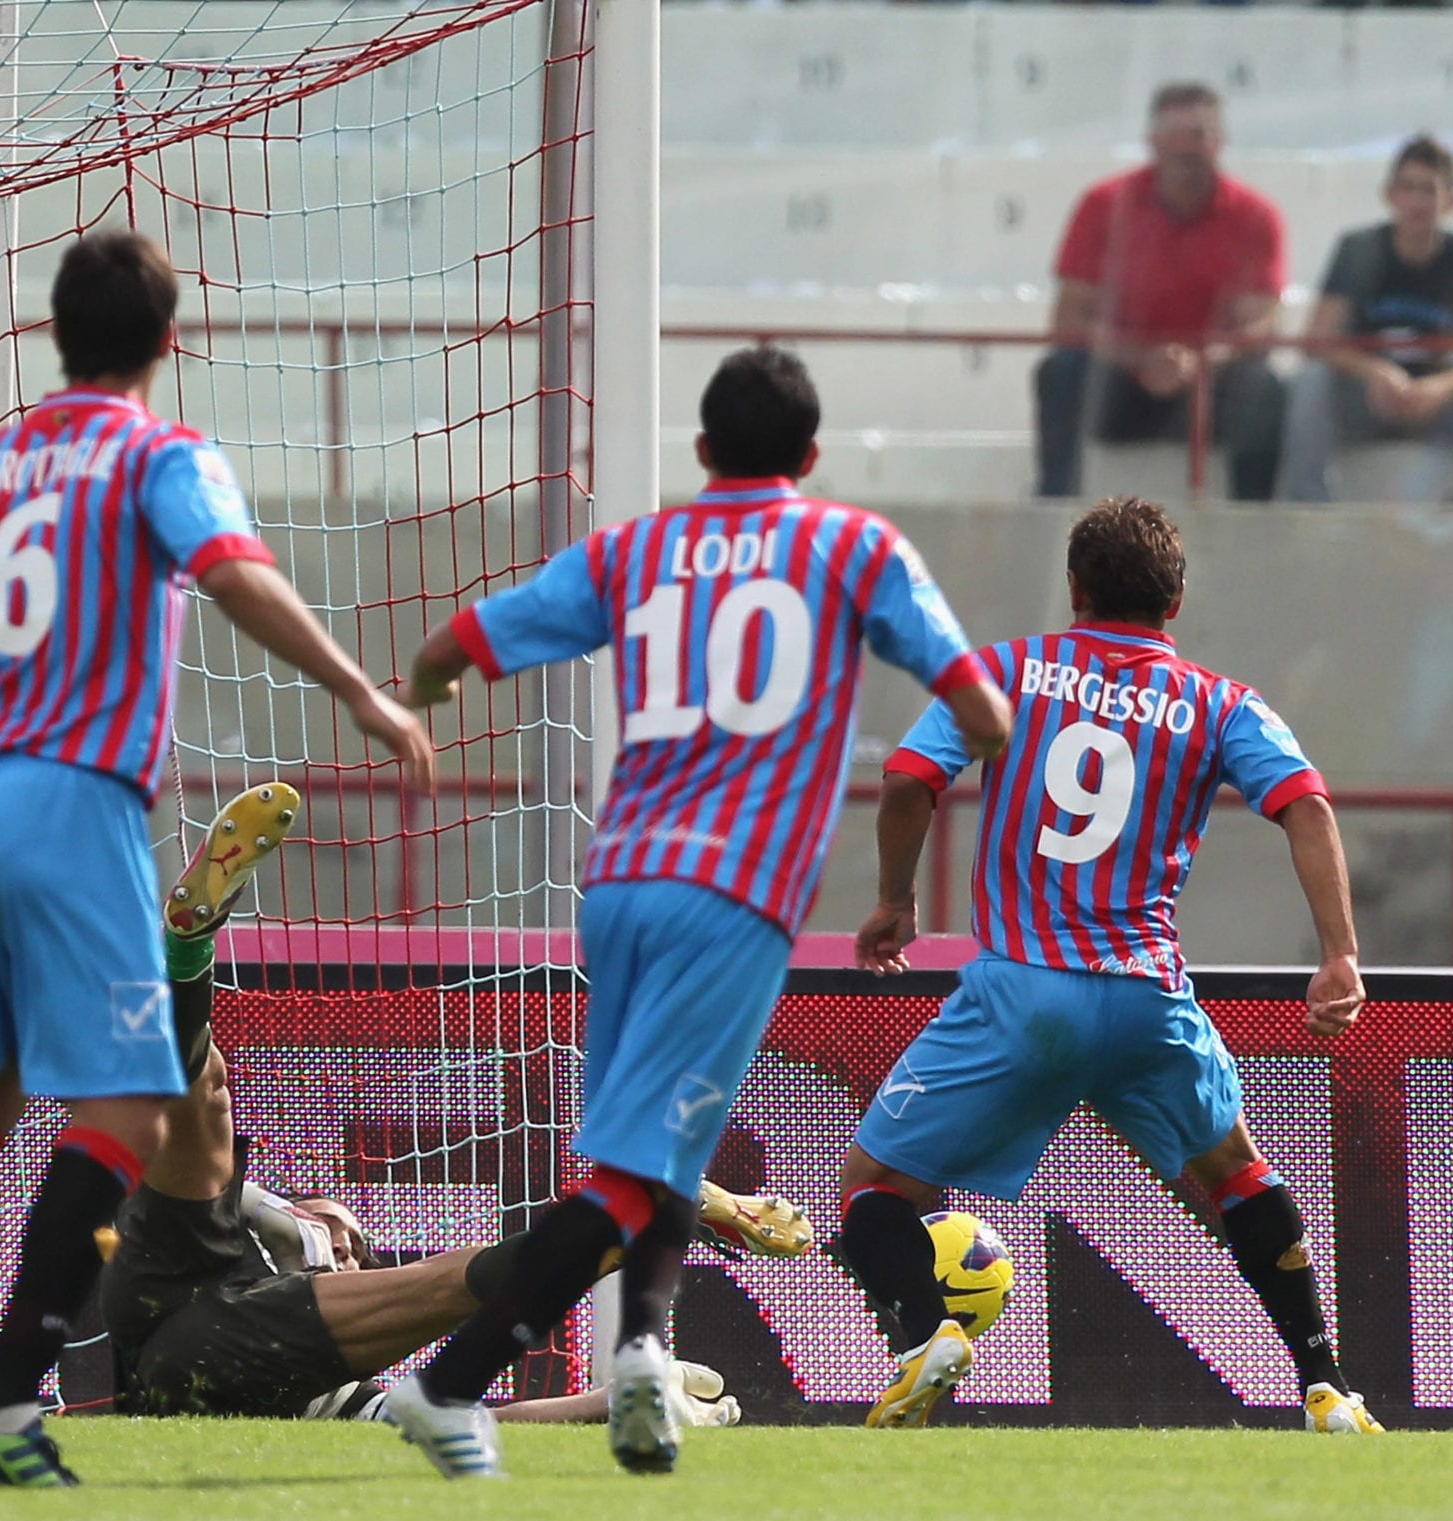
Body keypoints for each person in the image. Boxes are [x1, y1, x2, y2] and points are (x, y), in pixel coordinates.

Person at [0, 228, 434, 1488]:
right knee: (131, 1106)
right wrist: (362, 694)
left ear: (54, 333)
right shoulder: (159, 452)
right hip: (68, 804)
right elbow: (231, 573)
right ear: (169, 341)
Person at [385, 345, 1013, 1479]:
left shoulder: (636, 550)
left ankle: (634, 1357)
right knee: (628, 1172)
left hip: (618, 884)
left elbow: (456, 647)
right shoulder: (850, 546)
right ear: (810, 459)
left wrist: (420, 694)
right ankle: (444, 1389)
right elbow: (976, 704)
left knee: (661, 1147)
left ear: (702, 451)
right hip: (729, 897)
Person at [839, 496, 1381, 1435]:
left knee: (872, 1194)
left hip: (1022, 991)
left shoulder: (1003, 674)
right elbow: (1307, 807)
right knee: (1236, 1171)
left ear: (1076, 588)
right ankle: (1328, 1385)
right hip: (1144, 997)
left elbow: (908, 780)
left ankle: (926, 1337)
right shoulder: (1220, 702)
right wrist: (1339, 952)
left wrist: (893, 899)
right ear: (1175, 601)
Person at [103, 840, 809, 1430]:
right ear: (302, 1211)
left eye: (353, 1251)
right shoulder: (240, 1235)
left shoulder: (329, 1381)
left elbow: (464, 1419)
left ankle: (185, 953)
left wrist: (612, 1400)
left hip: (209, 1364)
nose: (348, 1253)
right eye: (341, 1237)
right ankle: (187, 950)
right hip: (181, 1283)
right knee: (205, 1095)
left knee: (428, 1292)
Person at [1035, 82, 1287, 502]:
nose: (1185, 147)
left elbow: (1263, 324)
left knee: (1264, 387)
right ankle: (1054, 510)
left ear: (1220, 142)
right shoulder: (1102, 205)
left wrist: (1195, 363)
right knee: (1060, 371)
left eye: (1199, 134)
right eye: (1173, 133)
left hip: (1209, 387)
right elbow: (1069, 319)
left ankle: (1255, 529)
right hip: (1120, 384)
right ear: (1151, 140)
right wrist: (1144, 361)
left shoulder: (1255, 215)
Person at [1278, 135, 1453, 502]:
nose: (1417, 201)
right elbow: (1315, 342)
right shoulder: (1358, 250)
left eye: (1428, 190)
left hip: (1431, 402)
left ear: (1450, 201)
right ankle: (1306, 505)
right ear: (1390, 195)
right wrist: (1374, 372)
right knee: (1311, 383)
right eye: (1407, 188)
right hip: (1365, 397)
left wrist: (1442, 386)